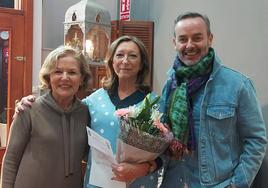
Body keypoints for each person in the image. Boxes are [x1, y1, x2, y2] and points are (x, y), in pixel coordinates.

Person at [13, 36, 162, 188]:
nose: (125, 61)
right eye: (119, 55)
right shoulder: (93, 101)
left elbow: (165, 154)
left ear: (142, 63)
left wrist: (140, 169)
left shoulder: (155, 104)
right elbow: (62, 111)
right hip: (97, 184)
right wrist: (26, 104)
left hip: (139, 183)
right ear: (111, 61)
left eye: (133, 55)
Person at [159, 12, 267, 188]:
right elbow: (162, 135)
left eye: (197, 38)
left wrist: (237, 184)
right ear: (174, 43)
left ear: (210, 39)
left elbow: (256, 140)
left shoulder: (238, 85)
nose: (189, 45)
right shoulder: (170, 85)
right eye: (183, 39)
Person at [0, 46, 91, 188]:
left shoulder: (86, 112)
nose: (65, 78)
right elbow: (11, 160)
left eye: (72, 72)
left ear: (82, 78)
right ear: (49, 76)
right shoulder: (29, 109)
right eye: (58, 71)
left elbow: (89, 155)